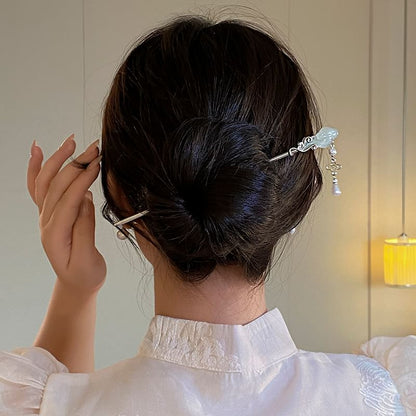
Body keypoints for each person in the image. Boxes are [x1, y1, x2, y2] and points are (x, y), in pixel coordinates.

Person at [0, 15, 414, 416]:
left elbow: (63, 403)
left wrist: (76, 290)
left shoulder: (48, 404)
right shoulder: (387, 395)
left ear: (120, 196)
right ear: (294, 194)